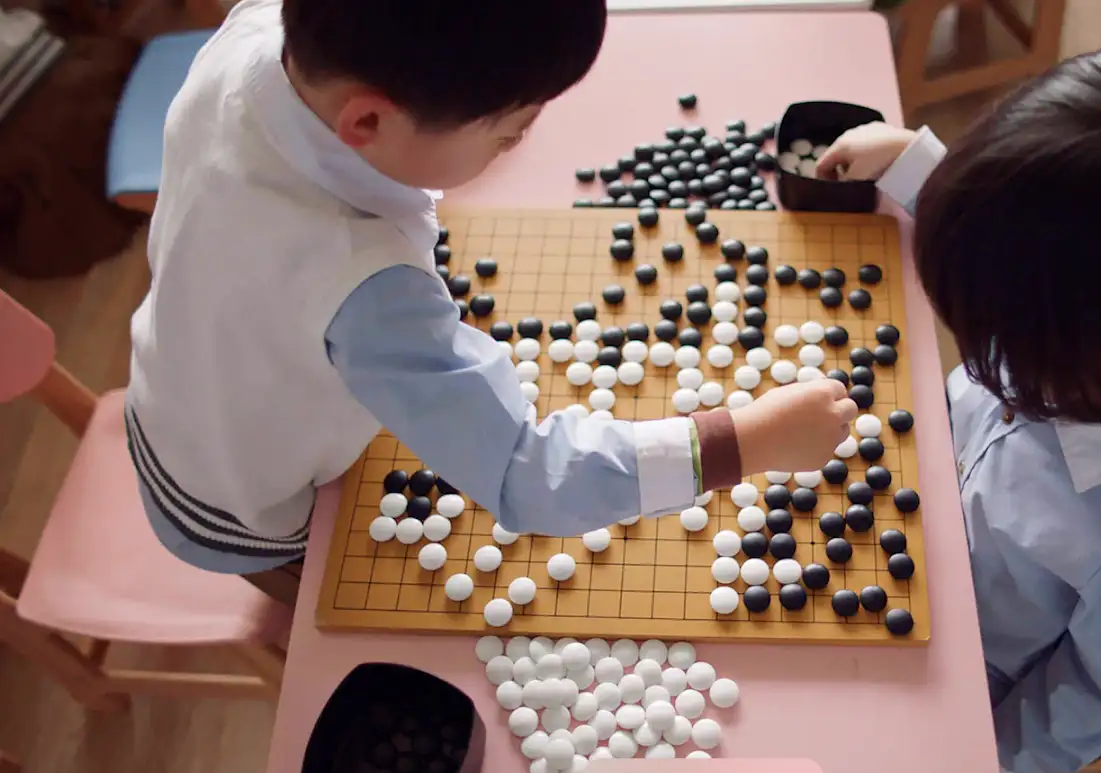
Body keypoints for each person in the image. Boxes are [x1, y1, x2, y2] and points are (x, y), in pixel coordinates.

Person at [126, 0, 856, 607]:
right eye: (506, 136)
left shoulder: (254, 36)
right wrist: (747, 440)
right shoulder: (363, 287)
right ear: (369, 124)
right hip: (236, 505)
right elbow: (524, 473)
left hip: (172, 381)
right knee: (332, 628)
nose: (515, 144)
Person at [817, 49, 1101, 773]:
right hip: (914, 521)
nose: (993, 354)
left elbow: (1097, 697)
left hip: (968, 665)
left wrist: (976, 765)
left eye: (1009, 336)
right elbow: (1039, 235)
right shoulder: (1095, 310)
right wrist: (917, 166)